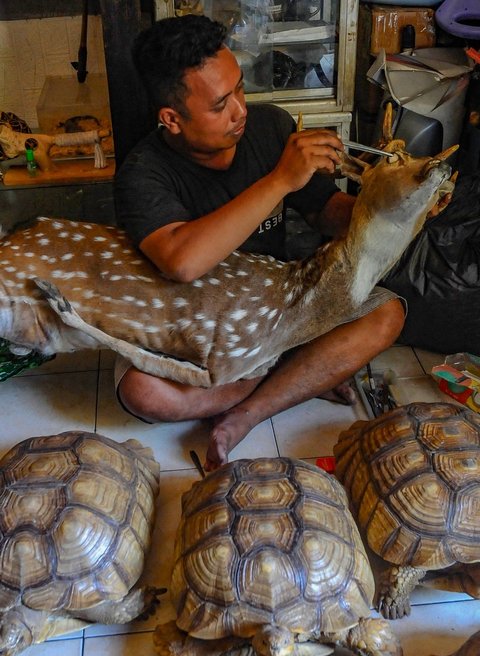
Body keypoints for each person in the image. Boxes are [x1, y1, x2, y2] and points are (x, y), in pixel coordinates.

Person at [114, 15, 405, 471]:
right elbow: (182, 263)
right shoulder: (143, 173)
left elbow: (325, 212)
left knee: (386, 314)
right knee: (141, 391)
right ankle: (296, 376)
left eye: (240, 89)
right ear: (172, 118)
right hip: (198, 326)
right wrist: (279, 181)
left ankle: (245, 413)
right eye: (220, 104)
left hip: (279, 308)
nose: (240, 110)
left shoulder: (270, 127)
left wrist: (392, 204)